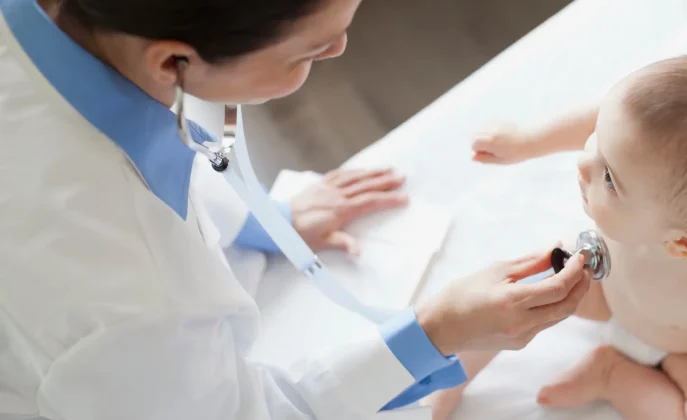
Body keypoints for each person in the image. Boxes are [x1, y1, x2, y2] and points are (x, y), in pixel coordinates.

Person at [0, 0, 593, 419]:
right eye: (312, 50)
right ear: (171, 62)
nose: (340, 47)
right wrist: (435, 334)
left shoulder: (80, 37)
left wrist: (260, 222)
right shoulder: (133, 301)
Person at [424, 53, 687, 420]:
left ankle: (615, 377)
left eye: (609, 179)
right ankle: (452, 378)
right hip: (603, 285)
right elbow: (604, 118)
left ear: (685, 244)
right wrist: (526, 142)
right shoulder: (641, 152)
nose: (583, 162)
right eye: (598, 142)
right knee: (513, 297)